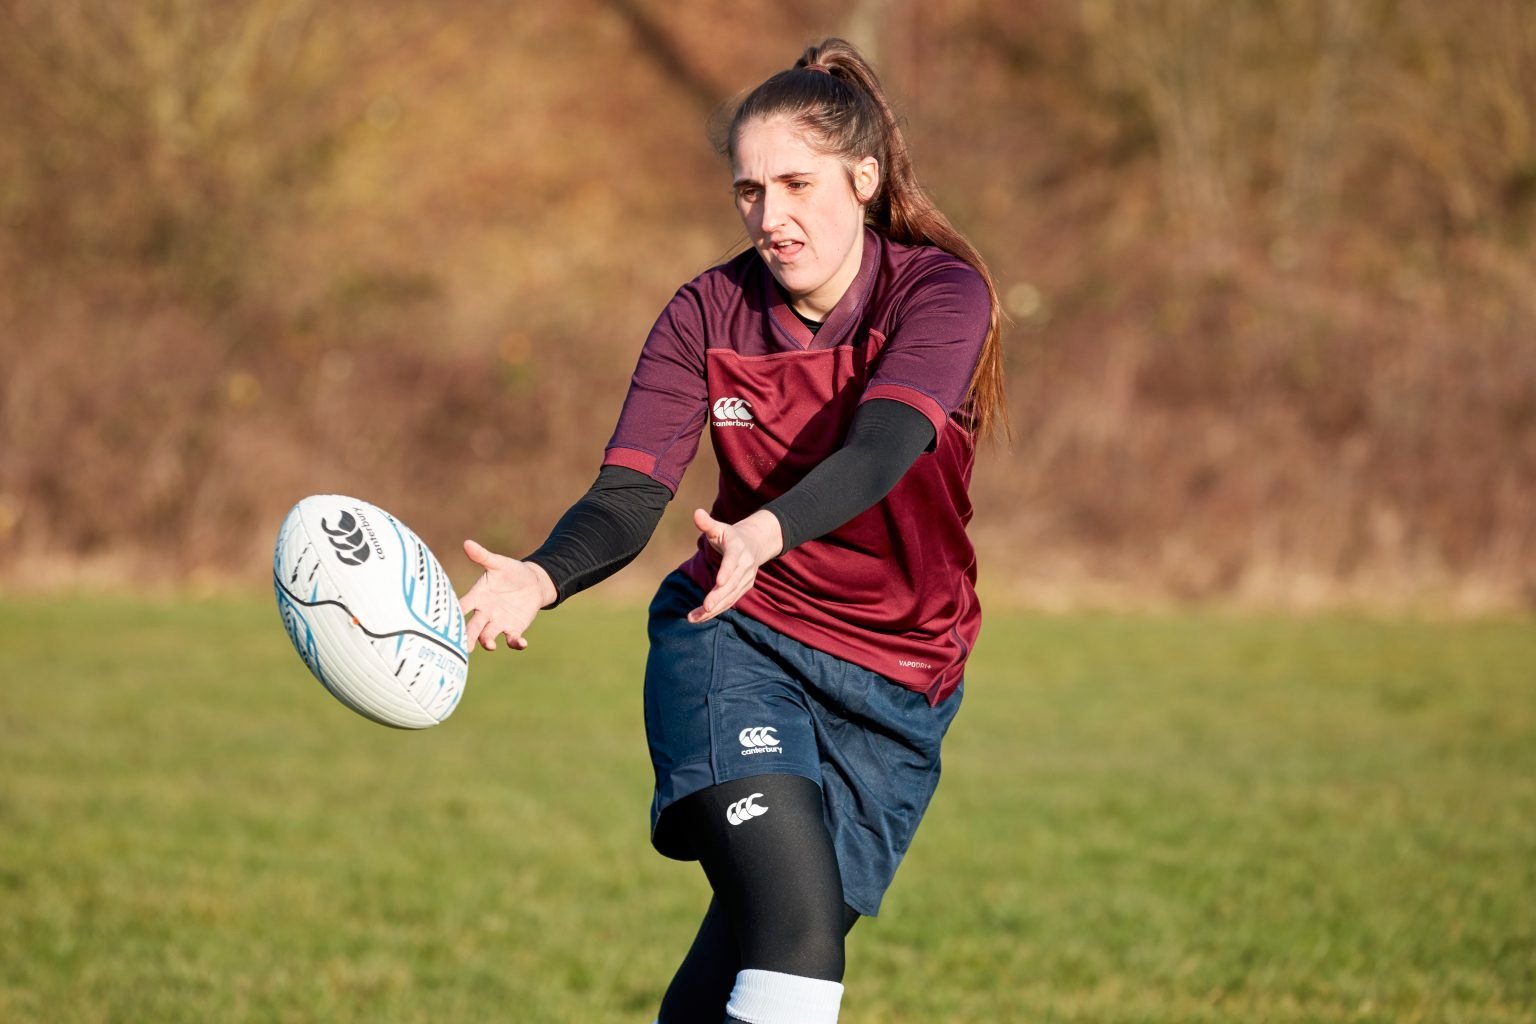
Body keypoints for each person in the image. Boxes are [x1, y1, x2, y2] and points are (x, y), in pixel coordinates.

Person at [458, 37, 1006, 1024]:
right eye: (749, 190)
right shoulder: (703, 314)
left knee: (749, 948)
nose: (771, 214)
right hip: (733, 637)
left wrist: (767, 527)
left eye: (797, 183)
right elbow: (629, 493)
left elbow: (883, 448)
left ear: (865, 178)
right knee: (796, 934)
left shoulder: (940, 293)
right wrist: (540, 576)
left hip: (903, 676)